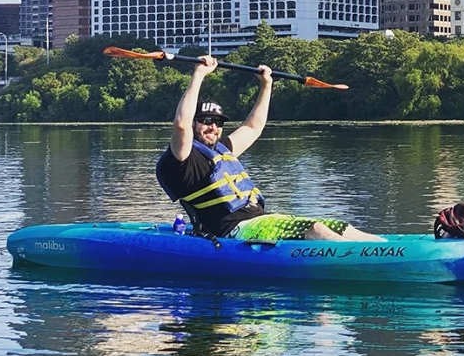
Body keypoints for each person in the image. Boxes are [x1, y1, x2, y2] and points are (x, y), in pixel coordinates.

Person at [155, 55, 384, 242]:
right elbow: (181, 125)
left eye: (217, 122)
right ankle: (373, 264)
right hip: (234, 230)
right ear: (194, 123)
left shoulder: (223, 150)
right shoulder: (182, 160)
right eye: (205, 121)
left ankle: (387, 249)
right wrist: (199, 75)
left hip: (261, 221)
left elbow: (253, 127)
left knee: (341, 226)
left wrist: (266, 85)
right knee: (316, 230)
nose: (212, 127)